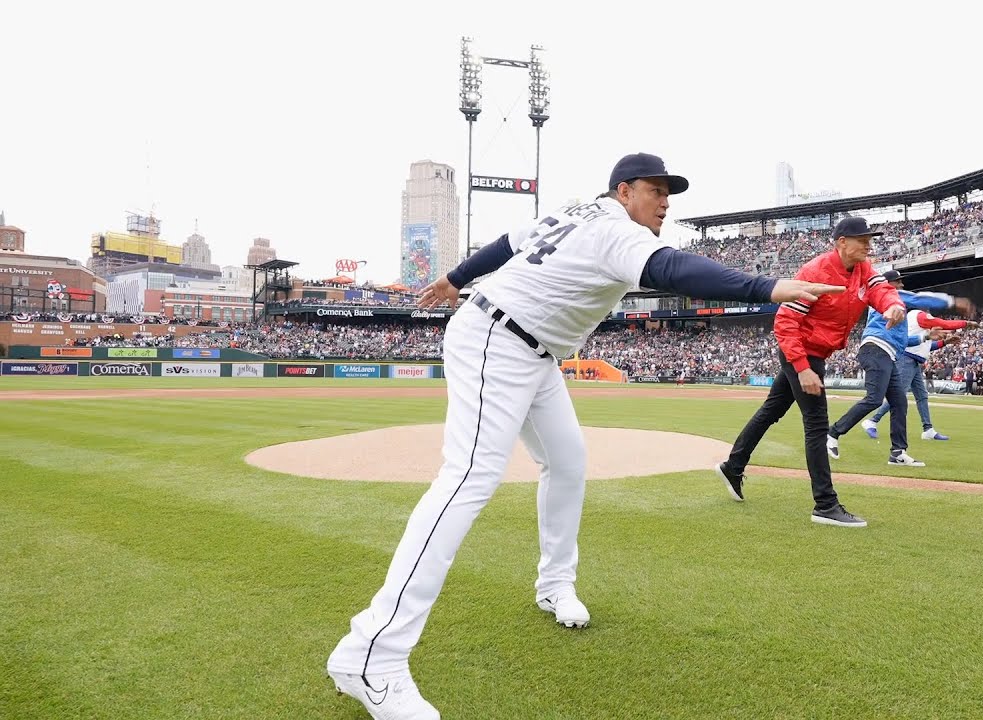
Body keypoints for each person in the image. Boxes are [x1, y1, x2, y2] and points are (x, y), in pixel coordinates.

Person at [325, 153, 845, 720]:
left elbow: (505, 242)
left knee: (568, 461)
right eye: (655, 190)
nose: (665, 202)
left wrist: (454, 277)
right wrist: (767, 285)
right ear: (624, 191)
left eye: (670, 192)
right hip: (497, 342)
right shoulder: (616, 232)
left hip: (533, 350)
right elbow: (673, 270)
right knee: (467, 480)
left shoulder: (577, 213)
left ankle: (554, 584)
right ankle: (373, 653)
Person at [713, 217, 906, 528]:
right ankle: (825, 505)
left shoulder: (863, 269)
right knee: (817, 425)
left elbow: (881, 290)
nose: (868, 244)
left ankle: (733, 466)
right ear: (842, 242)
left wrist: (893, 305)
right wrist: (802, 369)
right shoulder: (813, 273)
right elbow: (785, 324)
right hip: (802, 351)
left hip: (816, 352)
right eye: (862, 239)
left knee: (770, 411)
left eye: (870, 238)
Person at [827, 270, 974, 467]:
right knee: (874, 399)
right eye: (898, 282)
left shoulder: (896, 310)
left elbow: (903, 341)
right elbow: (918, 298)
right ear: (888, 284)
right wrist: (953, 302)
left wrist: (927, 337)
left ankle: (898, 453)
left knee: (899, 403)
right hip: (876, 350)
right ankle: (833, 432)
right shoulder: (886, 294)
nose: (901, 286)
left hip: (886, 352)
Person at [859, 279, 977, 441]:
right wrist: (964, 323)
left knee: (921, 396)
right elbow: (940, 322)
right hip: (907, 360)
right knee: (898, 395)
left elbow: (927, 346)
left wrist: (944, 342)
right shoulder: (919, 315)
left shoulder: (918, 317)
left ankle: (928, 428)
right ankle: (872, 420)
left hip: (913, 361)